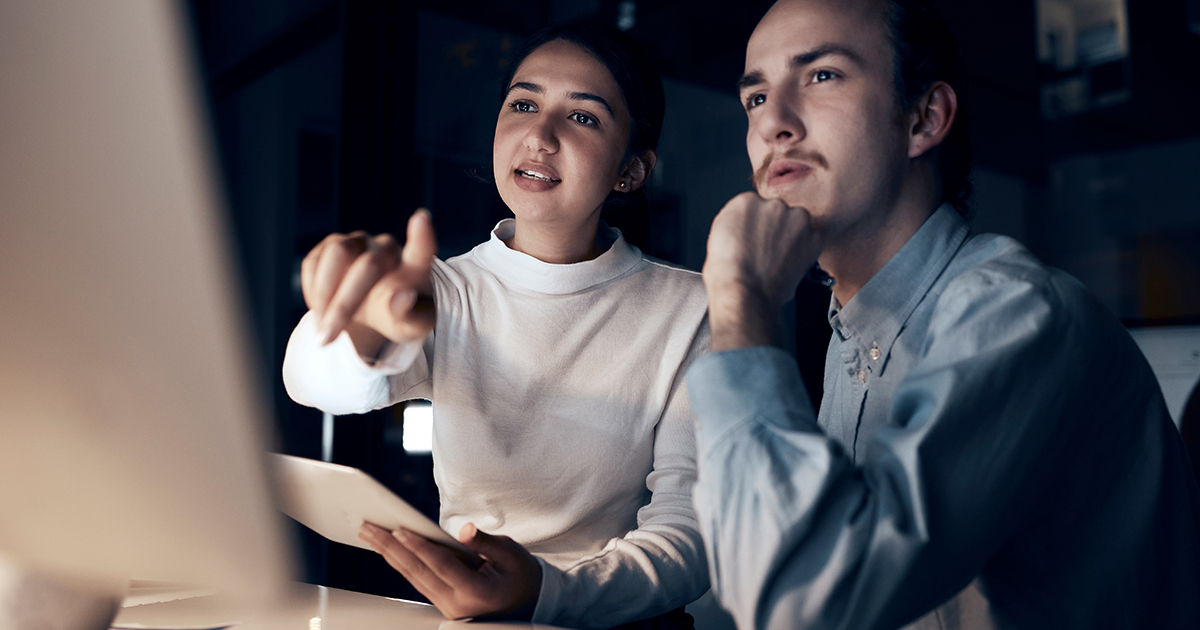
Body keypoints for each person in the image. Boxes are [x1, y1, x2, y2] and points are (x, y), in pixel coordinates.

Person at [686, 0, 1200, 628]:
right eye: (755, 98)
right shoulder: (852, 331)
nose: (773, 124)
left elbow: (802, 601)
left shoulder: (1017, 314)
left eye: (821, 75)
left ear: (924, 118)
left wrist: (740, 293)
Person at [282, 21, 710, 630]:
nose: (539, 134)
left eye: (583, 117)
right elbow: (316, 386)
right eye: (524, 104)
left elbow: (689, 532)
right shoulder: (443, 288)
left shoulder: (691, 308)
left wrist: (547, 593)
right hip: (469, 618)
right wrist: (365, 325)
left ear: (631, 171)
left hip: (624, 622)